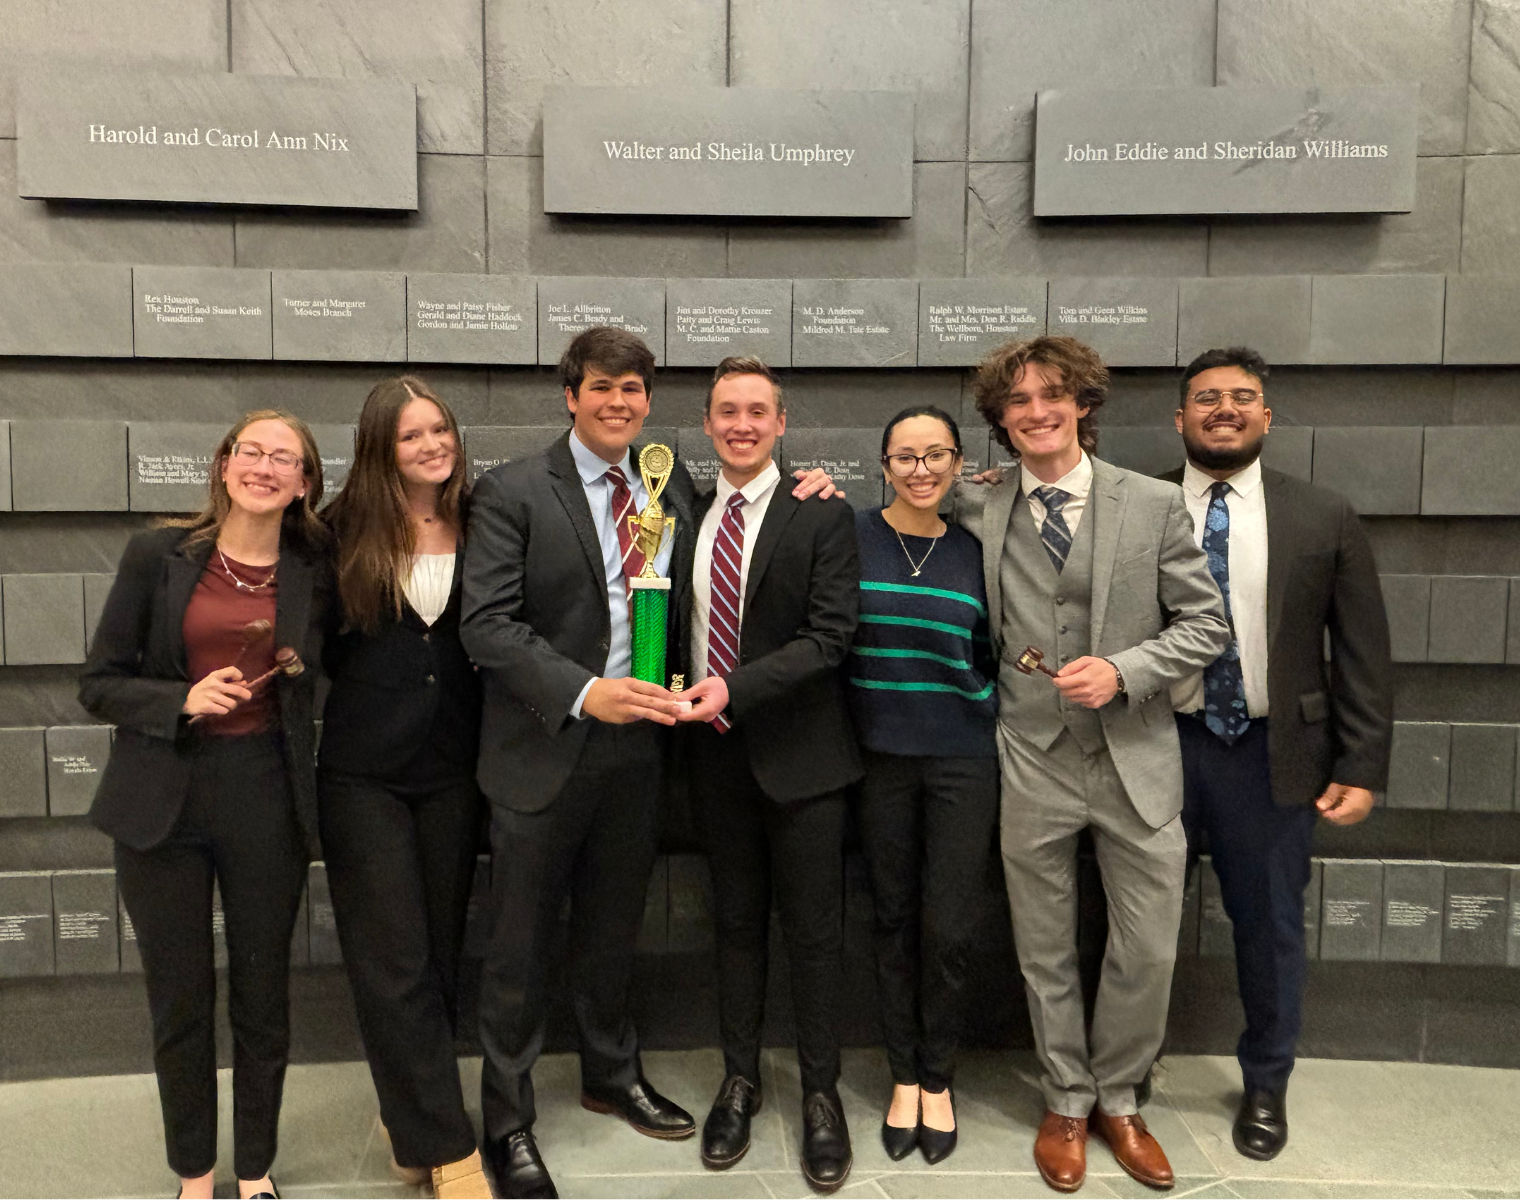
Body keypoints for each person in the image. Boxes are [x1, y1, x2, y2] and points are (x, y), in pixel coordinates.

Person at [460, 328, 837, 1199]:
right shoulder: (515, 490)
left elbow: (752, 535)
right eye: (602, 388)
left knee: (611, 930)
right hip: (543, 752)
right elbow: (487, 627)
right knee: (518, 950)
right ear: (570, 395)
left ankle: (609, 1073)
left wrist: (812, 489)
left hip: (639, 757)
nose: (619, 403)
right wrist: (586, 692)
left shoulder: (671, 488)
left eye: (634, 390)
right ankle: (507, 1122)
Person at [956, 336, 1230, 1194]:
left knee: (1145, 947)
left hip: (1137, 756)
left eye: (1053, 396)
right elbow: (902, 512)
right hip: (1030, 754)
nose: (1037, 412)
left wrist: (1125, 670)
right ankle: (1067, 1098)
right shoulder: (977, 499)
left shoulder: (1150, 504)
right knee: (1042, 949)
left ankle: (1121, 1096)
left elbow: (1205, 625)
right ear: (1001, 420)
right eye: (1019, 401)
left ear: (1083, 404)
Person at [79, 411, 331, 1200]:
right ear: (223, 466)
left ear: (304, 484)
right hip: (164, 800)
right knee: (180, 998)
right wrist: (181, 698)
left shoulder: (316, 570)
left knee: (263, 998)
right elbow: (99, 683)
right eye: (248, 451)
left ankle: (254, 1174)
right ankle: (195, 1175)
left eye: (281, 458)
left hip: (265, 793)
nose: (262, 466)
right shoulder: (158, 555)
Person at [1164, 347, 1392, 1161]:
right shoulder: (1139, 503)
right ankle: (1119, 1077)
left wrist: (1360, 766)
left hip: (1271, 757)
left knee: (1269, 929)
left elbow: (1362, 653)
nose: (1223, 410)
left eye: (1241, 397)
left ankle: (1266, 1081)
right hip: (1157, 747)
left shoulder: (1323, 515)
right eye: (1206, 398)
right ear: (1179, 417)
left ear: (1267, 414)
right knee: (1132, 924)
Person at [673, 356, 861, 1192]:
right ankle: (740, 1081)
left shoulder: (821, 512)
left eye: (757, 411)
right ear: (708, 425)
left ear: (782, 424)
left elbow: (830, 639)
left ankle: (821, 1096)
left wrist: (735, 689)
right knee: (736, 927)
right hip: (710, 761)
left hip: (805, 763)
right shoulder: (677, 509)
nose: (741, 424)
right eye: (726, 412)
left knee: (816, 937)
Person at [318, 377, 489, 1198]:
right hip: (363, 776)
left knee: (441, 954)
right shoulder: (337, 528)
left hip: (454, 769)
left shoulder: (485, 517)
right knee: (394, 960)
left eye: (440, 430)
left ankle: (409, 1110)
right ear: (380, 448)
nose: (431, 446)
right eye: (411, 436)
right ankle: (451, 1151)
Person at [846, 405, 999, 1166]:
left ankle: (938, 1077)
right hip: (878, 758)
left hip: (963, 761)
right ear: (882, 465)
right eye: (904, 456)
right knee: (892, 918)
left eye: (936, 455)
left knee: (949, 928)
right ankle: (901, 1072)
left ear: (959, 464)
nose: (920, 469)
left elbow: (996, 653)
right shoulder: (850, 537)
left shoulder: (977, 551)